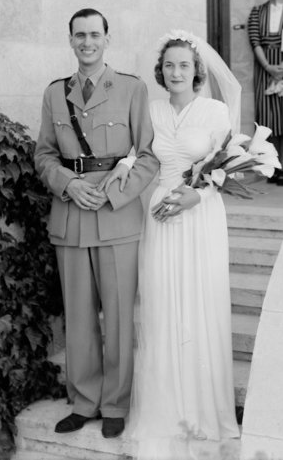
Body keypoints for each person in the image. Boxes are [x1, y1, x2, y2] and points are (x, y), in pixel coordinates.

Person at [101, 30, 241, 459]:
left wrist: (198, 194)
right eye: (169, 65)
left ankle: (202, 411)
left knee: (200, 305)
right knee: (163, 305)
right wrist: (123, 166)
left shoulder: (216, 111)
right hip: (161, 212)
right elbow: (138, 150)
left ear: (197, 70)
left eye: (183, 64)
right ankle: (164, 410)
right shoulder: (152, 109)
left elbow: (231, 167)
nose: (175, 71)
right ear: (160, 72)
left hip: (200, 213)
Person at [34, 8, 159, 439]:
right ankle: (84, 400)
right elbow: (44, 155)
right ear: (70, 41)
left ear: (107, 38)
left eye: (94, 34)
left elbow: (148, 155)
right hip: (70, 216)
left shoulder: (131, 88)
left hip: (116, 215)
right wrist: (67, 185)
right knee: (80, 318)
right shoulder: (54, 94)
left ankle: (116, 403)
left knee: (120, 315)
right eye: (79, 35)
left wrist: (113, 192)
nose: (87, 42)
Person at [248, 0, 283, 185]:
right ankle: (273, 166)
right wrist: (269, 67)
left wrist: (282, 67)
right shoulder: (257, 11)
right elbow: (255, 41)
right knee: (269, 119)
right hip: (264, 68)